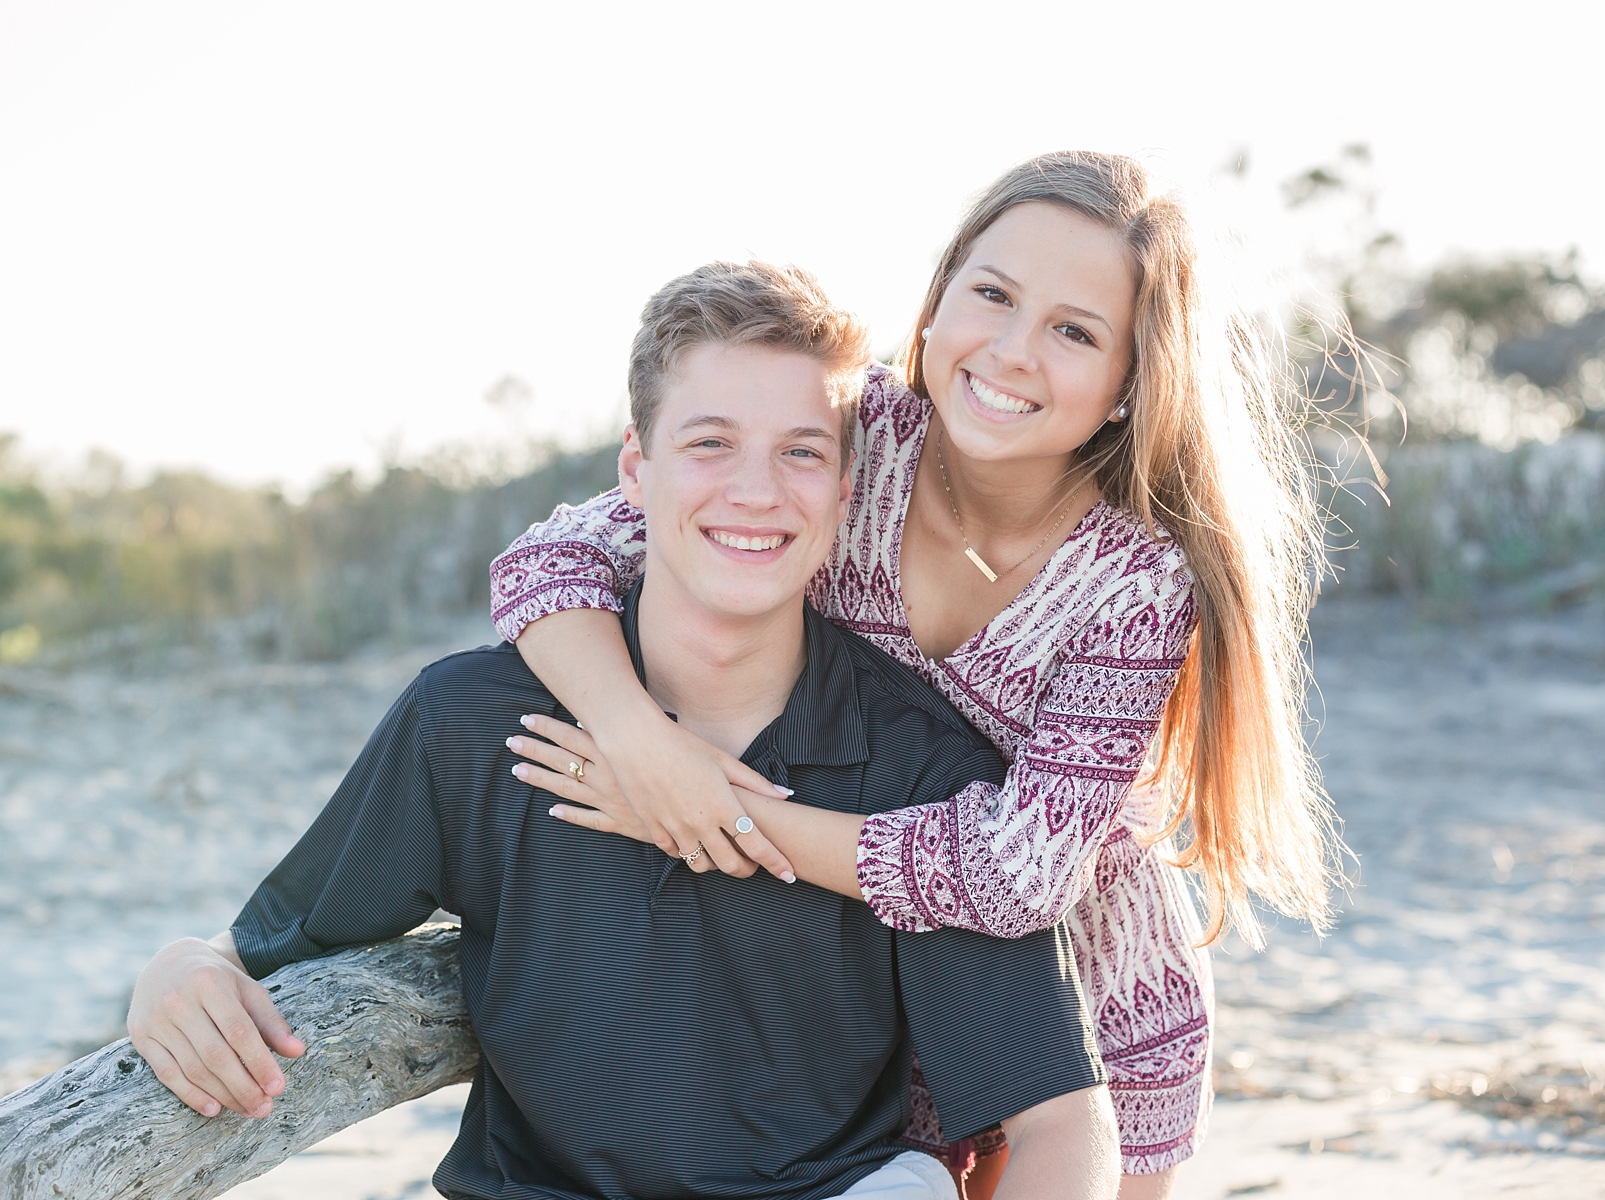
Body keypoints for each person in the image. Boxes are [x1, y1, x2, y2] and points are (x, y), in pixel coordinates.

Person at [127, 260, 1121, 1200]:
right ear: (635, 473)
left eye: (802, 453)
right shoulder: (472, 726)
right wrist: (186, 967)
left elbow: (1057, 1121)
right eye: (709, 443)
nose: (756, 492)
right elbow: (261, 942)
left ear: (846, 490)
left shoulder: (923, 765)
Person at [489, 150, 1340, 1199]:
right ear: (935, 310)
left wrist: (711, 812)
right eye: (992, 295)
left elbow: (1022, 873)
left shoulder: (1133, 584)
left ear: (1131, 382)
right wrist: (639, 743)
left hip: (1078, 1012)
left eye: (1075, 332)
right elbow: (547, 562)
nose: (1014, 352)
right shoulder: (847, 445)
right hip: (848, 976)